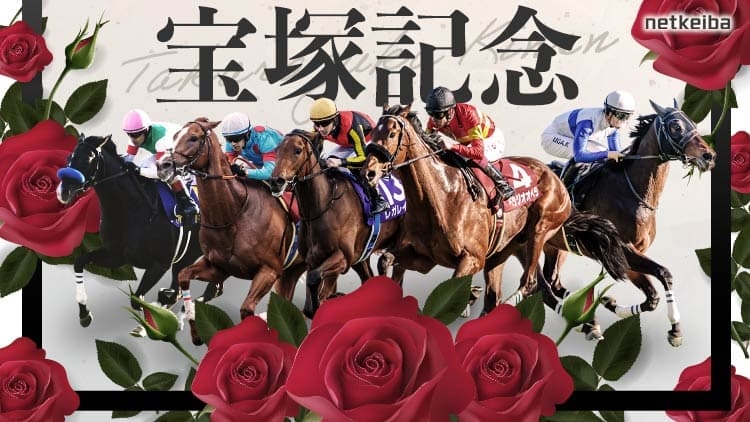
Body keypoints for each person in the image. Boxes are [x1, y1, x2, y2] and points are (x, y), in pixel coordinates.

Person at [424, 86, 515, 202]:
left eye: (438, 115)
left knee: (467, 155)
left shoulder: (468, 114)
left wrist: (452, 146)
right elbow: (426, 144)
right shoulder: (433, 121)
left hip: (491, 139)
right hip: (471, 143)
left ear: (450, 111)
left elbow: (478, 152)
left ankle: (503, 184)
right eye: (430, 113)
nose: (433, 119)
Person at [309, 97, 389, 215]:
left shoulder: (351, 127)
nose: (320, 128)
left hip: (366, 140)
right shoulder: (318, 128)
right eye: (317, 124)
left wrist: (341, 162)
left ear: (334, 119)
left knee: (353, 167)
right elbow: (314, 153)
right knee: (326, 163)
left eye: (325, 123)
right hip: (347, 143)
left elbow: (363, 159)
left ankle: (378, 199)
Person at [541, 90, 635, 187]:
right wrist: (608, 154)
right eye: (621, 116)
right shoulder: (587, 123)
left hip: (571, 136)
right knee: (598, 154)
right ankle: (565, 188)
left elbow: (616, 152)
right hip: (552, 137)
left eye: (627, 116)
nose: (623, 120)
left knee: (603, 152)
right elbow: (579, 156)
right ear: (609, 112)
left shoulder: (613, 124)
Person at [121, 109, 199, 226]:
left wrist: (138, 170)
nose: (134, 139)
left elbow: (162, 172)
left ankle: (187, 203)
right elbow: (128, 159)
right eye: (130, 135)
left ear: (147, 130)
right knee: (144, 164)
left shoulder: (161, 140)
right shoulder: (135, 134)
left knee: (166, 172)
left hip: (187, 148)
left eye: (137, 135)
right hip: (169, 150)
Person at [220, 112, 283, 180]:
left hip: (281, 163)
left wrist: (245, 172)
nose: (233, 144)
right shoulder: (230, 143)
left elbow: (270, 173)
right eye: (228, 139)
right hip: (260, 163)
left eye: (236, 138)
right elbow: (228, 166)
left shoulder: (264, 139)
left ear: (247, 134)